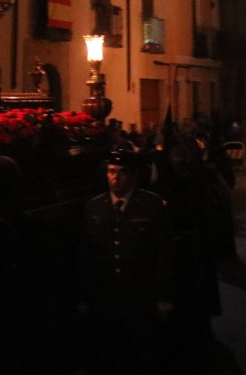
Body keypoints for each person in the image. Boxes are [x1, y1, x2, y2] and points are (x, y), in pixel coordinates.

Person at [77, 150, 173, 374]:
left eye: (121, 173)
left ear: (134, 176)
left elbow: (164, 253)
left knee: (140, 354)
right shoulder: (94, 207)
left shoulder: (151, 205)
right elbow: (85, 255)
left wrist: (164, 296)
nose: (115, 178)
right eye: (111, 172)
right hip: (106, 294)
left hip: (140, 294)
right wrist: (82, 295)